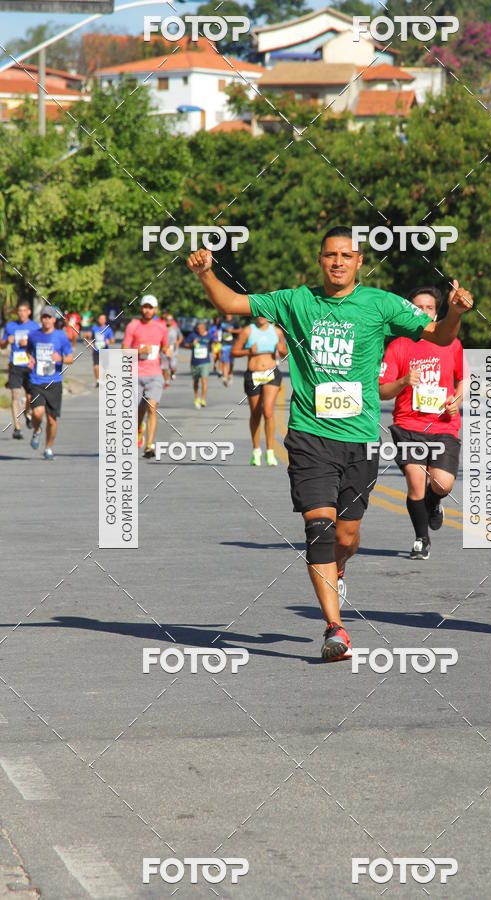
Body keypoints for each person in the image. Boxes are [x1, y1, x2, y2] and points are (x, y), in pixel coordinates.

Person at [187, 226, 472, 661]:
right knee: (318, 527)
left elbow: (440, 336)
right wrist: (207, 273)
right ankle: (335, 629)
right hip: (310, 436)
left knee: (347, 534)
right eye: (330, 255)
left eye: (346, 255)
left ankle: (339, 567)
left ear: (359, 261)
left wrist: (454, 313)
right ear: (320, 261)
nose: (337, 261)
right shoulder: (296, 301)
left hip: (359, 442)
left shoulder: (380, 303)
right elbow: (230, 303)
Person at [379, 286, 464, 560]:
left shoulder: (451, 342)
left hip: (443, 426)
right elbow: (382, 390)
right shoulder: (399, 344)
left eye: (429, 307)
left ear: (437, 311)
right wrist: (403, 382)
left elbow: (464, 379)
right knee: (416, 482)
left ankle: (435, 502)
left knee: (442, 484)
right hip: (408, 426)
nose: (423, 312)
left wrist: (457, 401)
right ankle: (421, 539)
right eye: (418, 307)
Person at [231, 316, 287, 466]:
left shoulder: (277, 331)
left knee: (268, 412)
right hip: (253, 375)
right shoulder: (248, 331)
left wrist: (282, 351)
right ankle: (256, 451)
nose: (261, 317)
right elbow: (234, 351)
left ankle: (270, 451)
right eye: (258, 313)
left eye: (264, 314)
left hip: (271, 374)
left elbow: (284, 352)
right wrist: (248, 351)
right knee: (255, 413)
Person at [122, 295, 170, 459]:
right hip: (135, 374)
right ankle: (138, 429)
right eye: (145, 307)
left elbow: (166, 346)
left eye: (150, 307)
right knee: (136, 410)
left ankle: (149, 446)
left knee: (152, 408)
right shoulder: (133, 326)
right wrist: (139, 352)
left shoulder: (161, 327)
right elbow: (124, 350)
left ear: (155, 310)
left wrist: (167, 351)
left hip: (154, 375)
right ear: (141, 308)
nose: (147, 310)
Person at [27, 305, 74, 459]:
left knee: (52, 419)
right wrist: (30, 359)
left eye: (49, 317)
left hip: (54, 381)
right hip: (37, 380)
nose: (46, 320)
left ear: (54, 319)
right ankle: (37, 430)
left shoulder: (61, 336)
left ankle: (48, 448)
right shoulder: (34, 335)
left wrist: (60, 358)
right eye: (44, 317)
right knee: (37, 412)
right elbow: (28, 351)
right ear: (41, 319)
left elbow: (70, 358)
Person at [1, 300, 38, 439]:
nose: (21, 314)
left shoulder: (35, 327)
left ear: (29, 312)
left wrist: (28, 343)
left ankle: (27, 414)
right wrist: (6, 342)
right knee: (15, 395)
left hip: (29, 365)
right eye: (19, 311)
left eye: (24, 311)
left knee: (30, 397)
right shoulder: (10, 326)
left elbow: (39, 345)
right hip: (15, 365)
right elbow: (2, 345)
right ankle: (17, 428)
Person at [185, 320, 212, 408]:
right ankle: (197, 397)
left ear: (205, 328)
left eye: (201, 328)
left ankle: (203, 399)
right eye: (198, 328)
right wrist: (192, 345)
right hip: (195, 362)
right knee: (196, 382)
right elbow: (185, 344)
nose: (199, 330)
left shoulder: (208, 336)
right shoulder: (193, 335)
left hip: (205, 362)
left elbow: (214, 344)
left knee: (204, 381)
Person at [84, 313, 114, 387]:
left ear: (105, 320)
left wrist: (109, 341)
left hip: (105, 350)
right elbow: (91, 337)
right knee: (96, 366)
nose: (102, 320)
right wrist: (91, 343)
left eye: (103, 319)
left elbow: (112, 340)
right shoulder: (94, 328)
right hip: (96, 350)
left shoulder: (108, 329)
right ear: (98, 319)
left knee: (105, 367)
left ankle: (103, 380)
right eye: (100, 319)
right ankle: (98, 381)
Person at [161, 313, 183, 388]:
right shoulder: (162, 328)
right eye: (167, 319)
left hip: (173, 349)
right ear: (165, 320)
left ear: (172, 321)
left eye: (170, 320)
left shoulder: (175, 329)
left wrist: (178, 342)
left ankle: (173, 373)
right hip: (164, 349)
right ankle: (166, 382)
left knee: (173, 366)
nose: (169, 321)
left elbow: (180, 337)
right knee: (164, 367)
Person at [221, 313, 240, 386]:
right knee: (225, 362)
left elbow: (240, 330)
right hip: (224, 344)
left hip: (233, 344)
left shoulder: (235, 321)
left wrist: (232, 331)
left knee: (231, 362)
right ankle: (225, 377)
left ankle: (230, 373)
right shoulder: (222, 320)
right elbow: (218, 329)